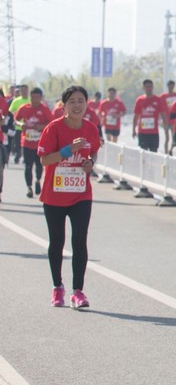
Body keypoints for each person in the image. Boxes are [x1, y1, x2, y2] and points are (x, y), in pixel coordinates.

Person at [36, 85, 100, 308]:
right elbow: (44, 160)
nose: (77, 105)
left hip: (81, 195)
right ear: (64, 106)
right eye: (72, 101)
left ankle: (78, 292)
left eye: (80, 100)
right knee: (57, 241)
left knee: (79, 240)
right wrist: (68, 151)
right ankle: (57, 287)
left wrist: (90, 163)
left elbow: (93, 153)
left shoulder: (91, 128)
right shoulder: (53, 128)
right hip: (54, 195)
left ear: (86, 103)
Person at [14, 88, 54, 198]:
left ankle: (37, 180)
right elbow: (16, 119)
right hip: (26, 142)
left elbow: (52, 123)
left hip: (40, 144)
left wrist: (41, 127)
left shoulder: (44, 109)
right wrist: (20, 124)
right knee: (28, 166)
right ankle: (29, 187)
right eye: (33, 97)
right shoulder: (24, 108)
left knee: (39, 165)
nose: (35, 100)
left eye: (37, 98)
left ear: (41, 98)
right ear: (30, 97)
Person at [132, 79, 168, 152]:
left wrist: (166, 126)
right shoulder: (140, 100)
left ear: (152, 87)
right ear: (144, 88)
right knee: (143, 153)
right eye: (147, 87)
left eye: (150, 87)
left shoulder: (158, 100)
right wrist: (133, 130)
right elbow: (136, 116)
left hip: (154, 133)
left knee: (153, 152)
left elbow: (163, 114)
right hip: (142, 132)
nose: (149, 88)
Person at [8, 84, 30, 164]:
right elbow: (10, 111)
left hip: (28, 128)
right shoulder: (16, 101)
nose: (24, 92)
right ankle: (17, 155)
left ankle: (25, 158)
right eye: (22, 90)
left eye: (25, 90)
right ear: (20, 91)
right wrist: (16, 114)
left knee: (26, 143)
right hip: (18, 126)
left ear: (28, 90)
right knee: (17, 143)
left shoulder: (31, 101)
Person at [160, 80, 176, 154]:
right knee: (167, 138)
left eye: (172, 86)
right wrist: (161, 119)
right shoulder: (163, 96)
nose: (171, 88)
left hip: (174, 121)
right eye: (170, 86)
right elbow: (160, 108)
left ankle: (170, 150)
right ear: (168, 86)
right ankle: (166, 153)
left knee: (174, 139)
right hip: (166, 120)